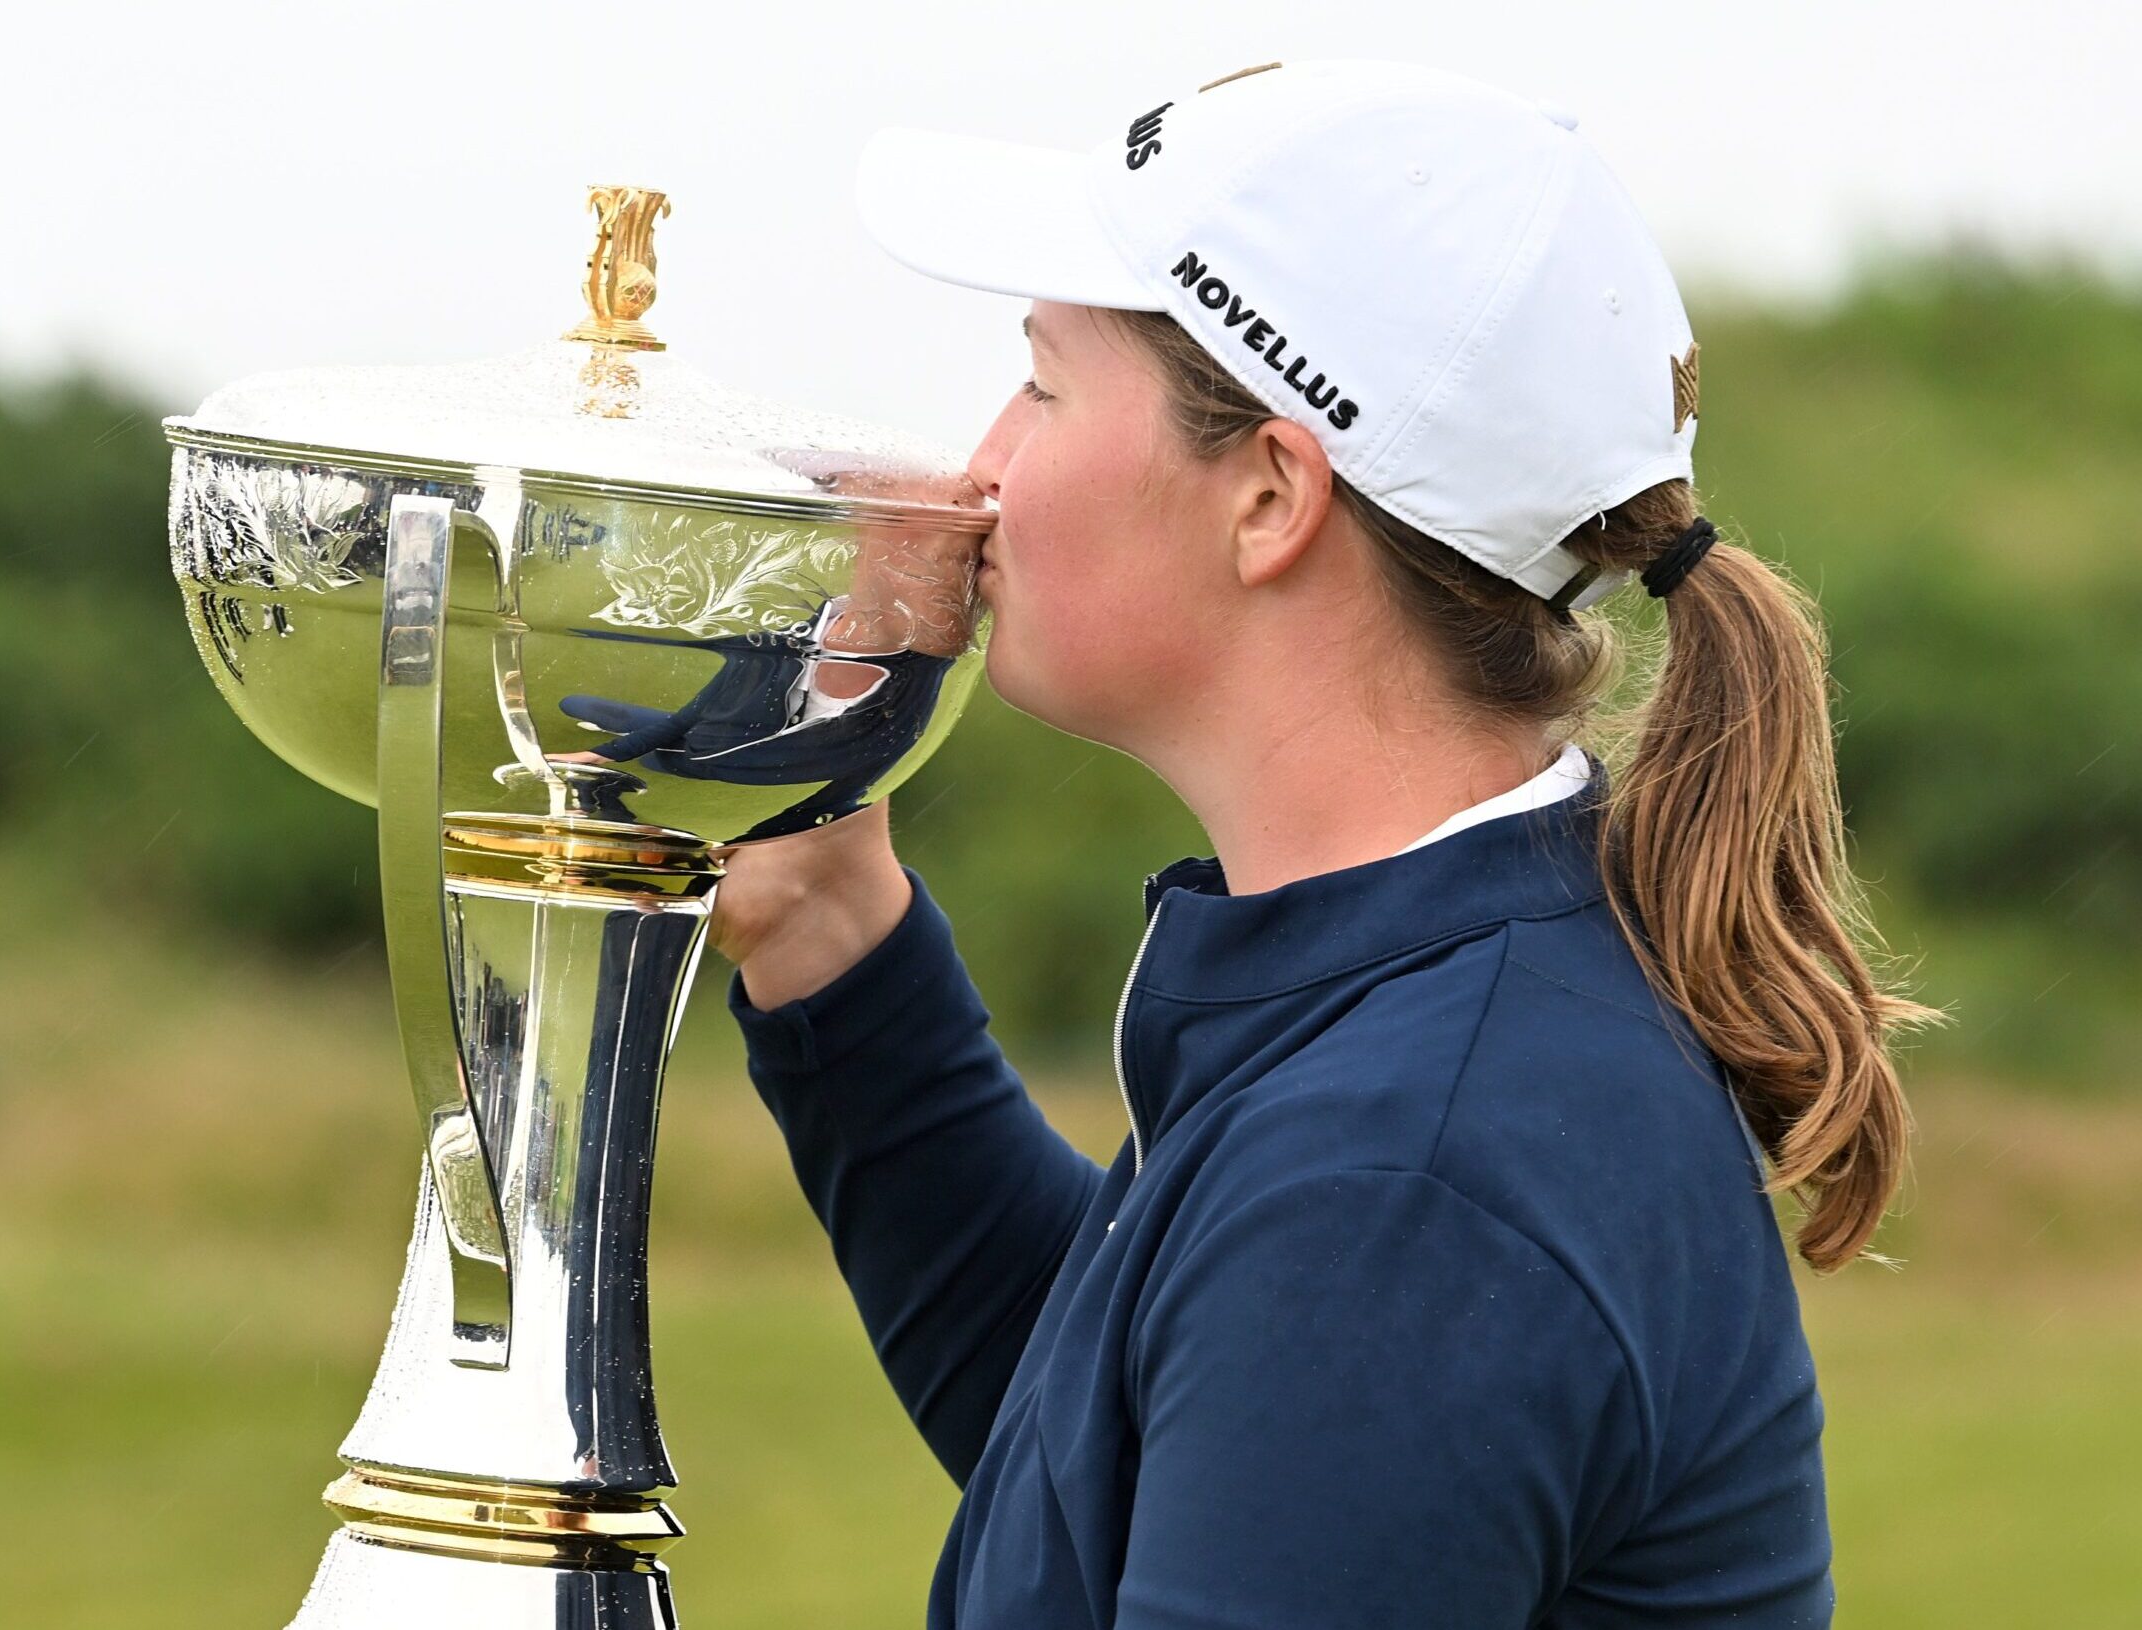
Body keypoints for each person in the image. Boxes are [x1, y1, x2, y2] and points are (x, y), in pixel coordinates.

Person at [706, 59, 1944, 1630]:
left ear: (1270, 496)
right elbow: (1135, 1462)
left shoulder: (1404, 1182)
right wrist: (829, 919)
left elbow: (1296, 1384)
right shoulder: (1431, 1028)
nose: (983, 466)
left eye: (1045, 382)